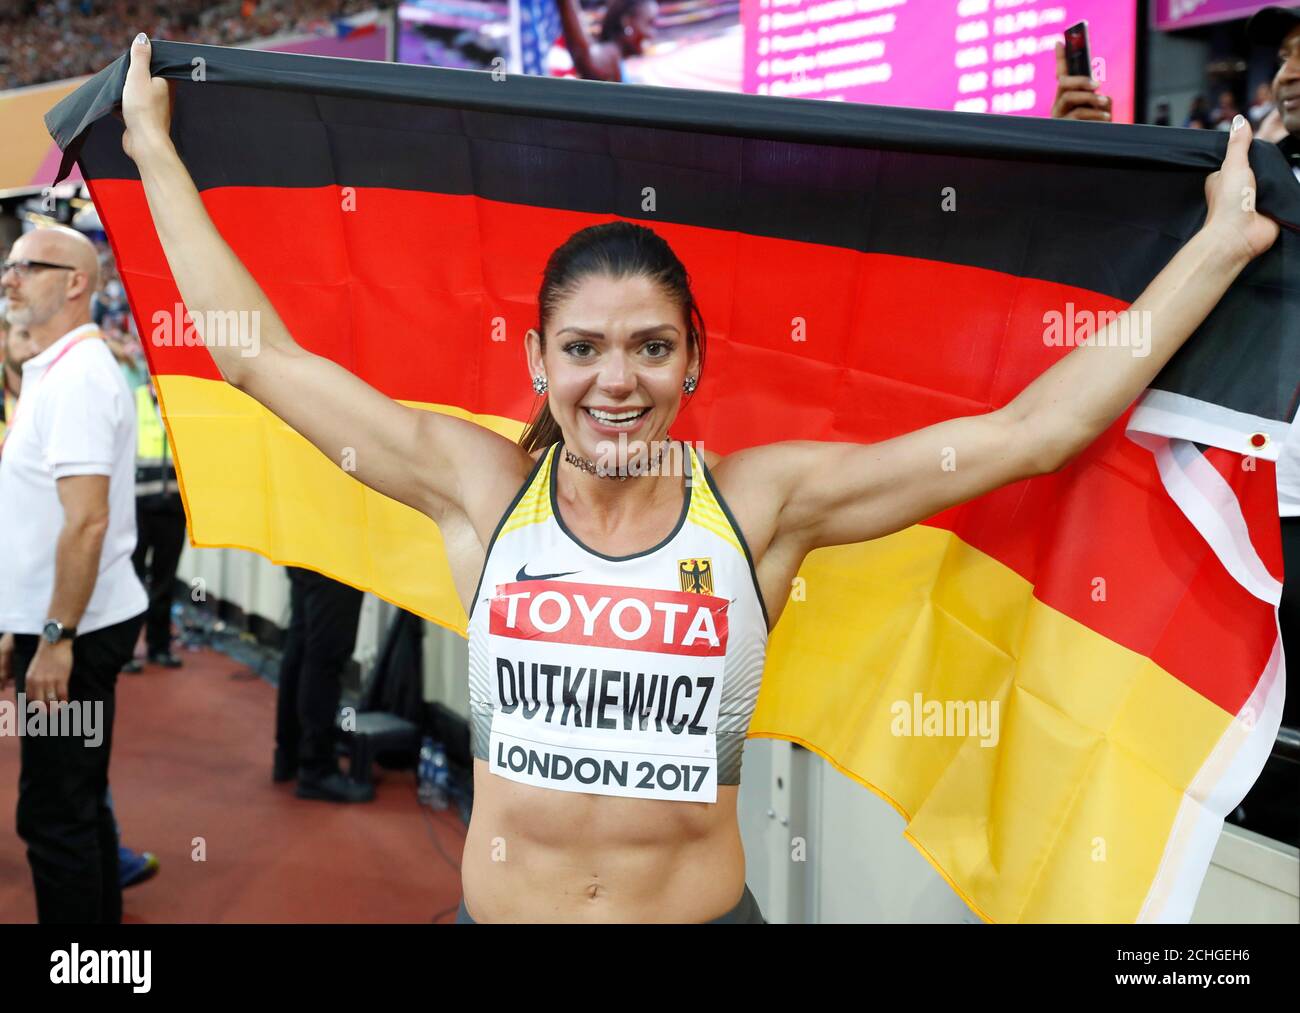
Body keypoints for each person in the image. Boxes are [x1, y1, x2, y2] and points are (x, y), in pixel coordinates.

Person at [119, 32, 1279, 923]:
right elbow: (251, 352)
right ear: (536, 361)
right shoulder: (476, 486)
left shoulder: (761, 507)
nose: (613, 381)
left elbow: (1032, 431)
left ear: (694, 362)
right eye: (581, 349)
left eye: (648, 347)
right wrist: (155, 155)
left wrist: (1218, 246)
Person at [0, 223, 148, 923]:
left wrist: (53, 636)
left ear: (75, 282)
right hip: (61, 621)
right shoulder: (57, 370)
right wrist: (22, 625)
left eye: (24, 266)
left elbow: (86, 522)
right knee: (77, 801)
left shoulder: (82, 376)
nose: (9, 278)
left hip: (76, 630)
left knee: (54, 816)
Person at [273, 566, 372, 802]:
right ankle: (316, 767)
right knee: (326, 654)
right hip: (337, 549)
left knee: (301, 641)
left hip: (305, 542)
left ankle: (289, 754)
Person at [125, 374, 187, 670]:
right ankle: (125, 651)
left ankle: (159, 647)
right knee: (131, 579)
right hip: (137, 507)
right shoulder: (132, 399)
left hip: (174, 507)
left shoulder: (181, 401)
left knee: (165, 580)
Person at [555, 0, 657, 83]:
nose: (652, 34)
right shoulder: (611, 53)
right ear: (627, 22)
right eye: (649, 23)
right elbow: (585, 59)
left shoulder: (619, 59)